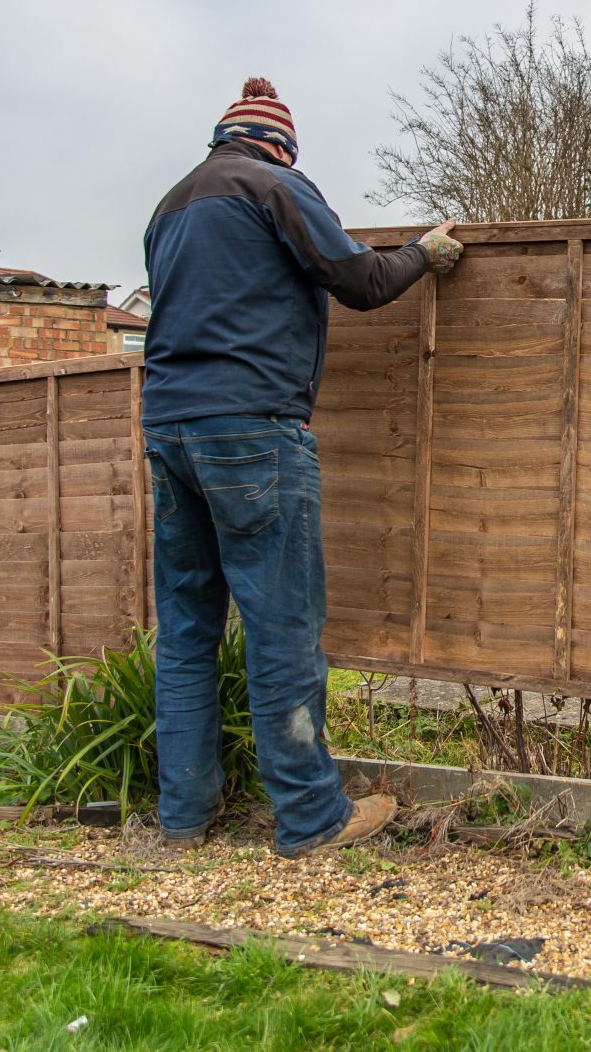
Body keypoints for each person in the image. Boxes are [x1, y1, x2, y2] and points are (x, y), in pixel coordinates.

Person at [142, 77, 463, 856]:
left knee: (186, 628)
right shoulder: (274, 186)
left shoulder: (168, 209)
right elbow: (360, 281)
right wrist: (425, 252)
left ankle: (184, 816)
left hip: (167, 426)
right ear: (278, 145)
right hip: (253, 428)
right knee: (281, 625)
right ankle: (312, 815)